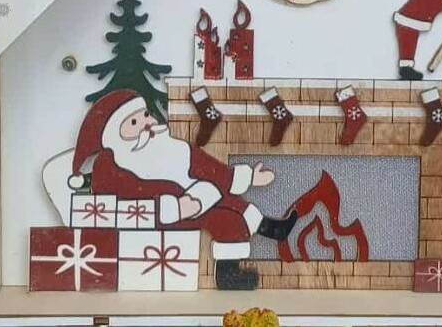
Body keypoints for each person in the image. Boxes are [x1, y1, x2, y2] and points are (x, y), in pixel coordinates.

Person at [68, 89, 297, 290]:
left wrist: (249, 177)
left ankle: (272, 230)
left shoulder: (173, 147)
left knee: (232, 204)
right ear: (114, 135)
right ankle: (229, 275)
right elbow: (120, 199)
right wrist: (175, 207)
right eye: (134, 123)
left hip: (195, 201)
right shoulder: (111, 164)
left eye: (145, 115)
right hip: (163, 218)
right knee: (226, 219)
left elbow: (210, 168)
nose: (147, 124)